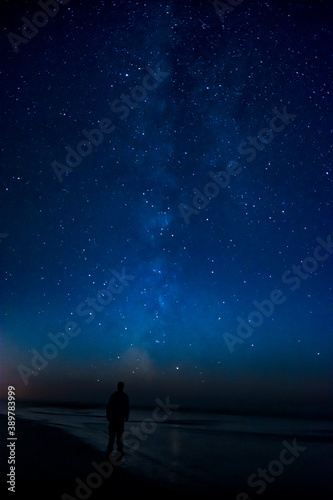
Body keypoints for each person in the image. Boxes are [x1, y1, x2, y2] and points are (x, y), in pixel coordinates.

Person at [106, 381, 129, 458]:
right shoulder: (124, 396)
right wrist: (126, 416)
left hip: (115, 419)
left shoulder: (115, 395)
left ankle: (111, 450)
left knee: (113, 437)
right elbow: (127, 408)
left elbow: (109, 406)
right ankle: (118, 451)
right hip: (118, 419)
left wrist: (108, 416)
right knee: (118, 436)